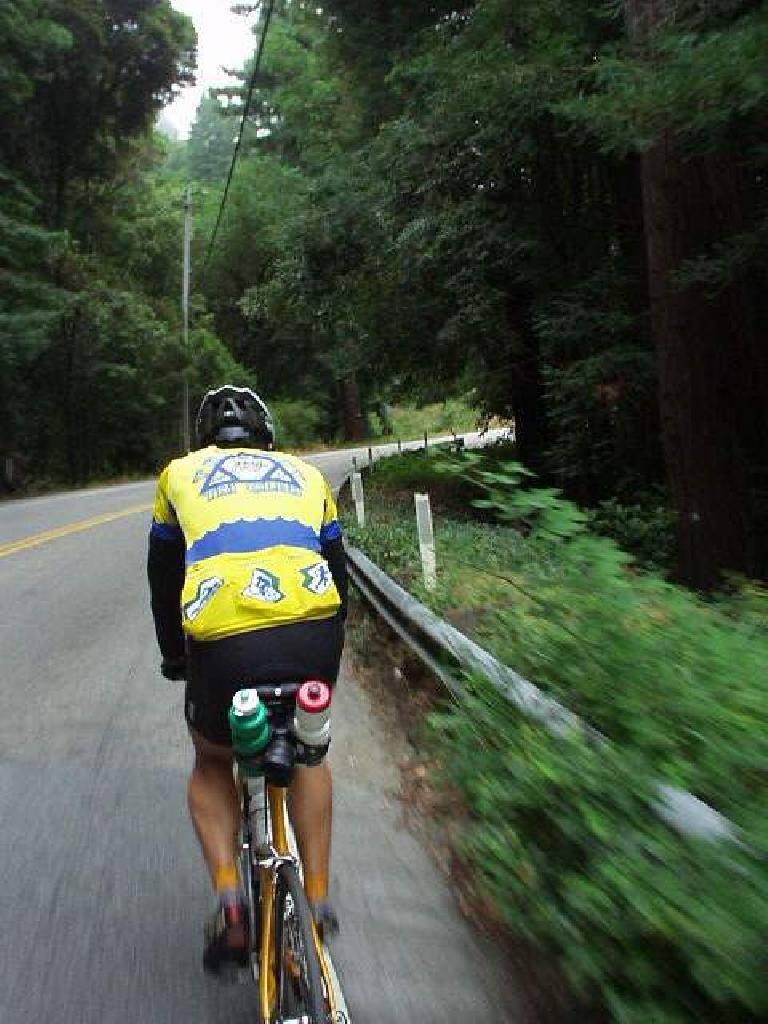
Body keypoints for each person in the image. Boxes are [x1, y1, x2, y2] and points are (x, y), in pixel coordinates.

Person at [147, 384, 346, 974]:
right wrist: (330, 643)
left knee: (213, 761)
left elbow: (163, 580)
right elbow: (338, 570)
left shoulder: (178, 475)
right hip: (314, 633)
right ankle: (316, 898)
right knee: (310, 757)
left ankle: (233, 900)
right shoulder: (306, 474)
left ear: (207, 439)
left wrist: (174, 657)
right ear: (267, 434)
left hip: (223, 645)